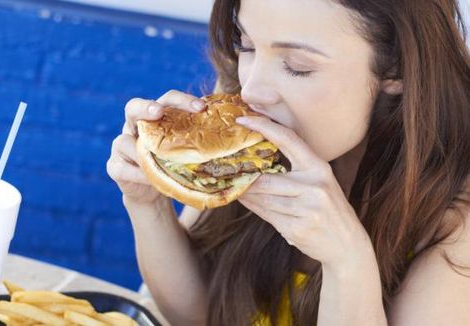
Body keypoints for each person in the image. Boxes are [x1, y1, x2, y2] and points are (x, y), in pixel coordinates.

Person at [107, 0, 470, 325]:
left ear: (398, 68)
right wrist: (147, 202)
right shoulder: (242, 108)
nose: (249, 91)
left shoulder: (457, 226)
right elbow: (199, 316)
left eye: (297, 66)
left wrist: (347, 263)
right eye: (246, 45)